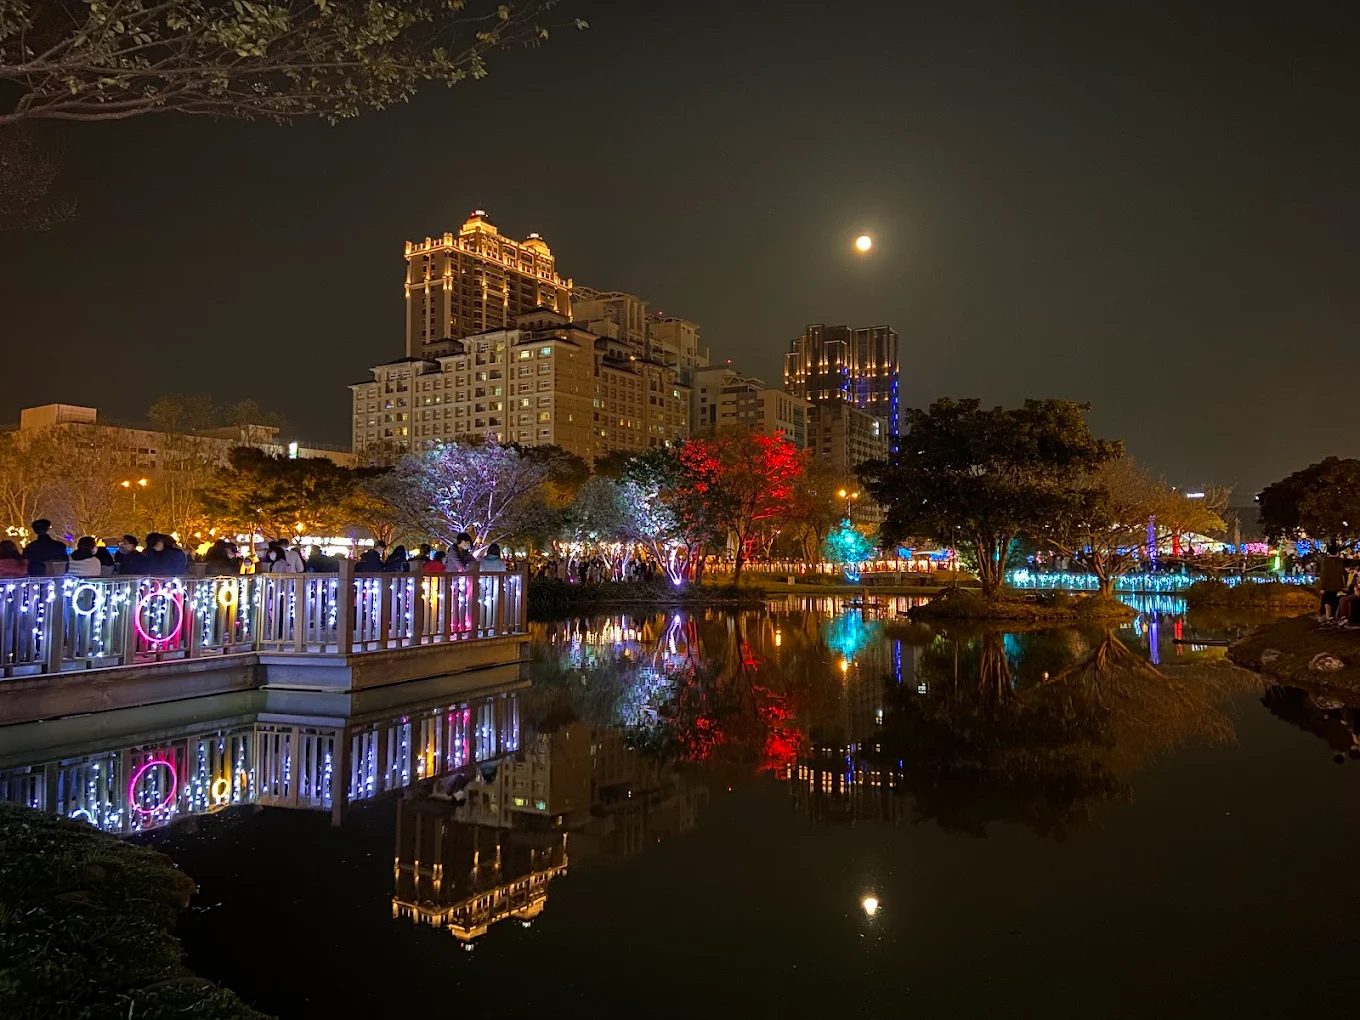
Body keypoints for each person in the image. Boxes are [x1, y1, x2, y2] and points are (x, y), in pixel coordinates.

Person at [1319, 553, 1347, 621]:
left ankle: (1328, 617)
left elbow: (1324, 575)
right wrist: (1343, 585)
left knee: (1327, 601)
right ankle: (1334, 616)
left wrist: (1322, 587)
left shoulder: (1326, 561)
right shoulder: (1340, 561)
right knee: (1334, 601)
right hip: (1337, 585)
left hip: (1328, 586)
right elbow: (1343, 574)